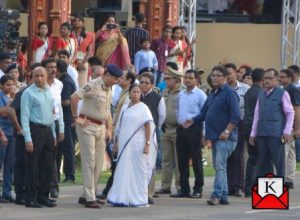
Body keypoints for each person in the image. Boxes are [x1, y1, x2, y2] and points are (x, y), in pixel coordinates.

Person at [70, 64, 122, 209]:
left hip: (101, 126)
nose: (116, 81)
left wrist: (109, 128)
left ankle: (87, 194)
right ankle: (90, 197)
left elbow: (107, 109)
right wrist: (76, 117)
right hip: (87, 125)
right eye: (115, 78)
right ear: (108, 75)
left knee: (98, 163)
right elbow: (74, 97)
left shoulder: (109, 88)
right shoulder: (92, 85)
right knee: (89, 161)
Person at [190, 65, 241, 205]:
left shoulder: (230, 93)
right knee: (220, 166)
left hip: (226, 137)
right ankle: (223, 196)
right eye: (213, 75)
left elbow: (236, 116)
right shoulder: (213, 93)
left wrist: (226, 131)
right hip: (214, 137)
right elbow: (204, 113)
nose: (214, 78)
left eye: (217, 75)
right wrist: (192, 120)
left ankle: (216, 194)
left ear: (225, 78)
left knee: (219, 166)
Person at [107, 84, 157, 207]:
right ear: (129, 93)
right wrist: (116, 144)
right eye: (134, 92)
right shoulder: (125, 108)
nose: (136, 94)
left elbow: (148, 126)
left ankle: (138, 198)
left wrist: (147, 144)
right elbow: (119, 128)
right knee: (123, 169)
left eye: (138, 92)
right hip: (124, 144)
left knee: (137, 170)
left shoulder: (143, 108)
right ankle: (121, 198)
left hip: (138, 144)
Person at [21, 67, 57, 208]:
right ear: (32, 76)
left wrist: (53, 134)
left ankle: (43, 196)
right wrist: (27, 138)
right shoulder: (28, 93)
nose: (39, 78)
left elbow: (51, 113)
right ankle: (31, 198)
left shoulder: (48, 90)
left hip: (48, 130)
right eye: (36, 76)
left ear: (46, 76)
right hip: (35, 130)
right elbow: (24, 116)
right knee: (33, 166)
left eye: (42, 75)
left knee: (47, 166)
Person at [98, 68, 136, 200]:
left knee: (117, 164)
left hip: (121, 134)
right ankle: (110, 190)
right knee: (117, 164)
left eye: (122, 77)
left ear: (129, 80)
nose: (119, 79)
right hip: (115, 131)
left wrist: (118, 137)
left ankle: (108, 190)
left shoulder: (128, 96)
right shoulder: (122, 92)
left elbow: (123, 118)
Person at [249, 68, 294, 178]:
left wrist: (287, 131)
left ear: (277, 79)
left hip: (276, 134)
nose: (267, 81)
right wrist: (253, 133)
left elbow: (290, 113)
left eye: (270, 78)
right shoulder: (261, 94)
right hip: (262, 133)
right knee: (264, 163)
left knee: (279, 163)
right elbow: (257, 114)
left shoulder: (282, 93)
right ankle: (267, 191)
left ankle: (279, 190)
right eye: (265, 78)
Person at [170, 70, 206, 199]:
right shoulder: (181, 95)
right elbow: (178, 109)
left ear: (196, 80)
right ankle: (184, 189)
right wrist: (181, 121)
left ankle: (198, 188)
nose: (187, 80)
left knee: (196, 161)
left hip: (195, 130)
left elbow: (205, 115)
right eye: (186, 77)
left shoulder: (201, 95)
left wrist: (203, 134)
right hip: (181, 130)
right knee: (182, 161)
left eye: (191, 78)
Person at [6, 64, 39, 205]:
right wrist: (19, 129)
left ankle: (30, 192)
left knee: (31, 164)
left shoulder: (40, 92)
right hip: (22, 135)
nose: (39, 79)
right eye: (35, 76)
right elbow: (11, 111)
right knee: (22, 164)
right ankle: (20, 194)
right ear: (29, 78)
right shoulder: (24, 92)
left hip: (34, 133)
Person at [139, 72, 166, 204]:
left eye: (146, 83)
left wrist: (155, 129)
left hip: (152, 133)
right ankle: (137, 190)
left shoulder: (158, 98)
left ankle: (149, 192)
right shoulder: (135, 96)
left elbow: (161, 116)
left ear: (152, 84)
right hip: (137, 134)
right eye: (141, 82)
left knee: (150, 163)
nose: (143, 85)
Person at [155, 66, 182, 195]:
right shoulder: (165, 91)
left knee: (178, 160)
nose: (166, 81)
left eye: (168, 79)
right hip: (165, 129)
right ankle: (165, 186)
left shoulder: (182, 92)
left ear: (176, 80)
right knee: (166, 159)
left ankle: (180, 186)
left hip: (178, 129)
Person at [225, 63, 250, 197]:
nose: (227, 76)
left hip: (240, 126)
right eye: (225, 74)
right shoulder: (222, 89)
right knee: (227, 156)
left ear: (236, 73)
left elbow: (250, 109)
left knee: (238, 156)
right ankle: (228, 186)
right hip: (225, 126)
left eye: (229, 73)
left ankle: (238, 186)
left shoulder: (245, 89)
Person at [42, 58, 65, 199]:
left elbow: (59, 107)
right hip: (42, 123)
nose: (52, 70)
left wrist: (61, 128)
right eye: (49, 67)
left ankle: (53, 187)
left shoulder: (59, 84)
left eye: (54, 67)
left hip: (55, 122)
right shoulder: (39, 84)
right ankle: (42, 186)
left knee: (54, 156)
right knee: (43, 156)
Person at [242, 68, 264, 197]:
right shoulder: (261, 93)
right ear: (262, 79)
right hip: (256, 128)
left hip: (247, 127)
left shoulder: (249, 92)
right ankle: (254, 187)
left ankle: (248, 187)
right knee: (259, 158)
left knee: (252, 158)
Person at [56, 60, 77, 183]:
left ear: (58, 70)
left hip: (67, 118)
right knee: (59, 148)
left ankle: (70, 175)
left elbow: (67, 101)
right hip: (63, 118)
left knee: (68, 147)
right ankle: (58, 175)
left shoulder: (66, 82)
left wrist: (54, 102)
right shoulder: (64, 80)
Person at [279, 69, 300, 189]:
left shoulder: (292, 90)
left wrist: (297, 128)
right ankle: (289, 179)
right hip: (289, 126)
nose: (280, 79)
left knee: (285, 152)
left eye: (282, 77)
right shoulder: (285, 90)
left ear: (290, 78)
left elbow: (297, 109)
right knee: (291, 153)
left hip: (289, 126)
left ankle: (284, 179)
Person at [0, 75, 16, 203]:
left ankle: (6, 191)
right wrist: (12, 102)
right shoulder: (1, 96)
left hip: (12, 133)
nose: (10, 87)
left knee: (9, 164)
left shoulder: (12, 97)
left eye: (12, 84)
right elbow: (4, 112)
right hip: (2, 132)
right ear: (1, 85)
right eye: (7, 85)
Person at [70, 14, 95, 88]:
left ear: (83, 23)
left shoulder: (89, 35)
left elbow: (90, 51)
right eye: (75, 21)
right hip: (72, 59)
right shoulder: (70, 34)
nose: (77, 22)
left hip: (84, 59)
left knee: (82, 82)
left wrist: (83, 63)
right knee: (72, 79)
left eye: (79, 21)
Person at [289, 65, 300, 162]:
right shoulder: (287, 87)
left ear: (296, 73)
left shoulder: (294, 88)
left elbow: (297, 107)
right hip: (291, 120)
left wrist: (297, 127)